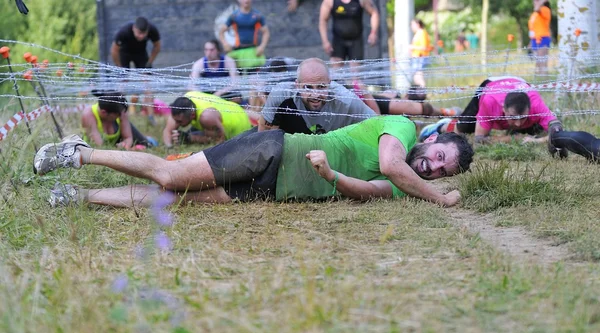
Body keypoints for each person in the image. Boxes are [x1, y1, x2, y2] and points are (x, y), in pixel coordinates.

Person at [34, 115, 474, 208]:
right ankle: (78, 153)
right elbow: (392, 166)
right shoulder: (402, 130)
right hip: (275, 149)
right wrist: (443, 198)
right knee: (170, 176)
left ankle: (80, 196)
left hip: (277, 189)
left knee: (174, 201)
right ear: (432, 141)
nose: (432, 168)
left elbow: (369, 189)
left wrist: (332, 175)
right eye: (438, 157)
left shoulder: (409, 186)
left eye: (442, 171)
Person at [419, 76, 557, 145]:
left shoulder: (536, 103)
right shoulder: (489, 102)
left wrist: (537, 141)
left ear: (530, 108)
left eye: (523, 118)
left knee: (535, 130)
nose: (519, 123)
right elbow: (479, 139)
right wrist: (513, 138)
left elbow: (556, 128)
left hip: (518, 83)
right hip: (490, 86)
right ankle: (442, 125)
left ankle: (458, 113)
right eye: (513, 117)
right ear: (503, 108)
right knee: (463, 129)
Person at [259, 58, 376, 134]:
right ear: (297, 86)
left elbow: (377, 125)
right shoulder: (281, 95)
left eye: (321, 87)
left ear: (329, 84)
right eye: (308, 87)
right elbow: (263, 138)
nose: (315, 95)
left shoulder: (345, 100)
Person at [162, 91, 253, 148]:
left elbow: (219, 142)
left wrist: (189, 138)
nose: (177, 124)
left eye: (180, 122)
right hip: (224, 111)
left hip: (241, 126)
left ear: (192, 115)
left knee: (194, 134)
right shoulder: (183, 104)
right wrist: (170, 146)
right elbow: (168, 130)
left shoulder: (207, 117)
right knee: (194, 132)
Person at [81, 91, 156, 149]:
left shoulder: (120, 110)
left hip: (116, 145)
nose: (121, 117)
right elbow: (99, 146)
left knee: (147, 144)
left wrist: (124, 145)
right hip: (98, 149)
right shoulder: (88, 115)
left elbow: (128, 138)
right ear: (104, 112)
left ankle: (148, 139)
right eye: (118, 115)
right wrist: (121, 148)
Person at [318, 0, 379, 70]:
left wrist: (373, 33)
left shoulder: (362, 1)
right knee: (336, 72)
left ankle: (355, 80)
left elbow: (374, 13)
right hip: (338, 41)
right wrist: (325, 41)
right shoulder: (329, 1)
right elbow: (323, 20)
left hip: (356, 41)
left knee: (356, 73)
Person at [219, 0, 270, 72]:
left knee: (255, 77)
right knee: (236, 76)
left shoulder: (257, 16)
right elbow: (221, 31)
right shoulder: (234, 16)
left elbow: (266, 32)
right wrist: (225, 44)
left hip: (253, 52)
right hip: (237, 52)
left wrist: (262, 46)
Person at [528, 0, 552, 76]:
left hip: (543, 38)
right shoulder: (534, 14)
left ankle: (545, 84)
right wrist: (530, 42)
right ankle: (540, 83)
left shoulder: (545, 9)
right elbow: (533, 28)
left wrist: (541, 2)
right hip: (534, 40)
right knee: (538, 63)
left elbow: (537, 9)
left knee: (542, 63)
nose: (535, 1)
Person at [409, 19, 432, 88]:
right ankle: (420, 93)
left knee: (419, 77)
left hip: (420, 58)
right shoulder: (418, 33)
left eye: (413, 24)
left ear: (418, 24)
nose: (411, 27)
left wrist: (412, 47)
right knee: (416, 78)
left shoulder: (422, 33)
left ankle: (422, 93)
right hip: (417, 58)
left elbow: (424, 47)